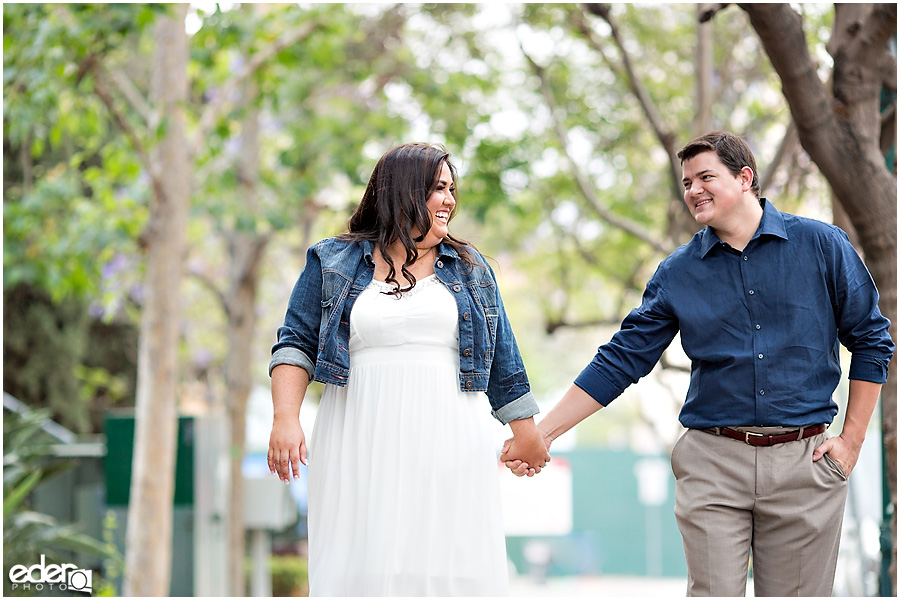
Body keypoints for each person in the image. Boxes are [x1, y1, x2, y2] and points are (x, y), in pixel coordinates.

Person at [502, 131, 894, 596]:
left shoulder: (822, 246)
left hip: (803, 461)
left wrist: (851, 441)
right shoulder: (679, 272)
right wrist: (541, 434)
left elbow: (872, 339)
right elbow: (621, 361)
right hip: (713, 461)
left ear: (745, 178)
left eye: (706, 177)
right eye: (686, 182)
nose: (693, 190)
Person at [267, 142, 550, 596]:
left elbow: (503, 360)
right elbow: (296, 342)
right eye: (438, 188)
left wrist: (527, 431)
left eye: (452, 189)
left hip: (450, 435)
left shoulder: (472, 269)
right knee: (362, 562)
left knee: (447, 562)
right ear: (404, 191)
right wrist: (286, 418)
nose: (449, 200)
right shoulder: (332, 259)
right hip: (356, 433)